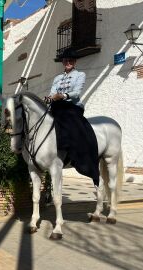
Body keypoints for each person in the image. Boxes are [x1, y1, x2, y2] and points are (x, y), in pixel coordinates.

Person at [47, 48, 99, 186]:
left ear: (74, 62)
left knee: (71, 122)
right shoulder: (57, 78)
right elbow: (52, 92)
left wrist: (63, 96)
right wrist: (49, 98)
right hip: (57, 106)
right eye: (65, 60)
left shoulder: (80, 75)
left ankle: (74, 152)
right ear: (63, 62)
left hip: (72, 106)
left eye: (71, 60)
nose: (68, 62)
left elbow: (77, 92)